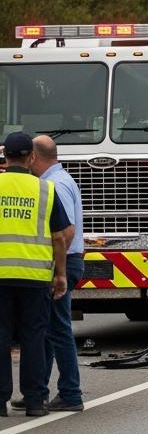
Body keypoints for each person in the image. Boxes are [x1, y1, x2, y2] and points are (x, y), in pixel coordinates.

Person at [0, 133, 72, 417]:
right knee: (33, 338)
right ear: (31, 157)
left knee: (1, 337)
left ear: (4, 155)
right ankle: (34, 401)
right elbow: (59, 237)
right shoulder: (45, 190)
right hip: (35, 277)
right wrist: (61, 276)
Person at [30, 136, 85, 411]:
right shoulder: (62, 179)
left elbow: (66, 230)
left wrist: (56, 269)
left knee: (58, 329)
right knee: (50, 330)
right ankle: (38, 389)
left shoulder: (54, 184)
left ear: (34, 157)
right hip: (68, 260)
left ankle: (71, 393)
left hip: (63, 261)